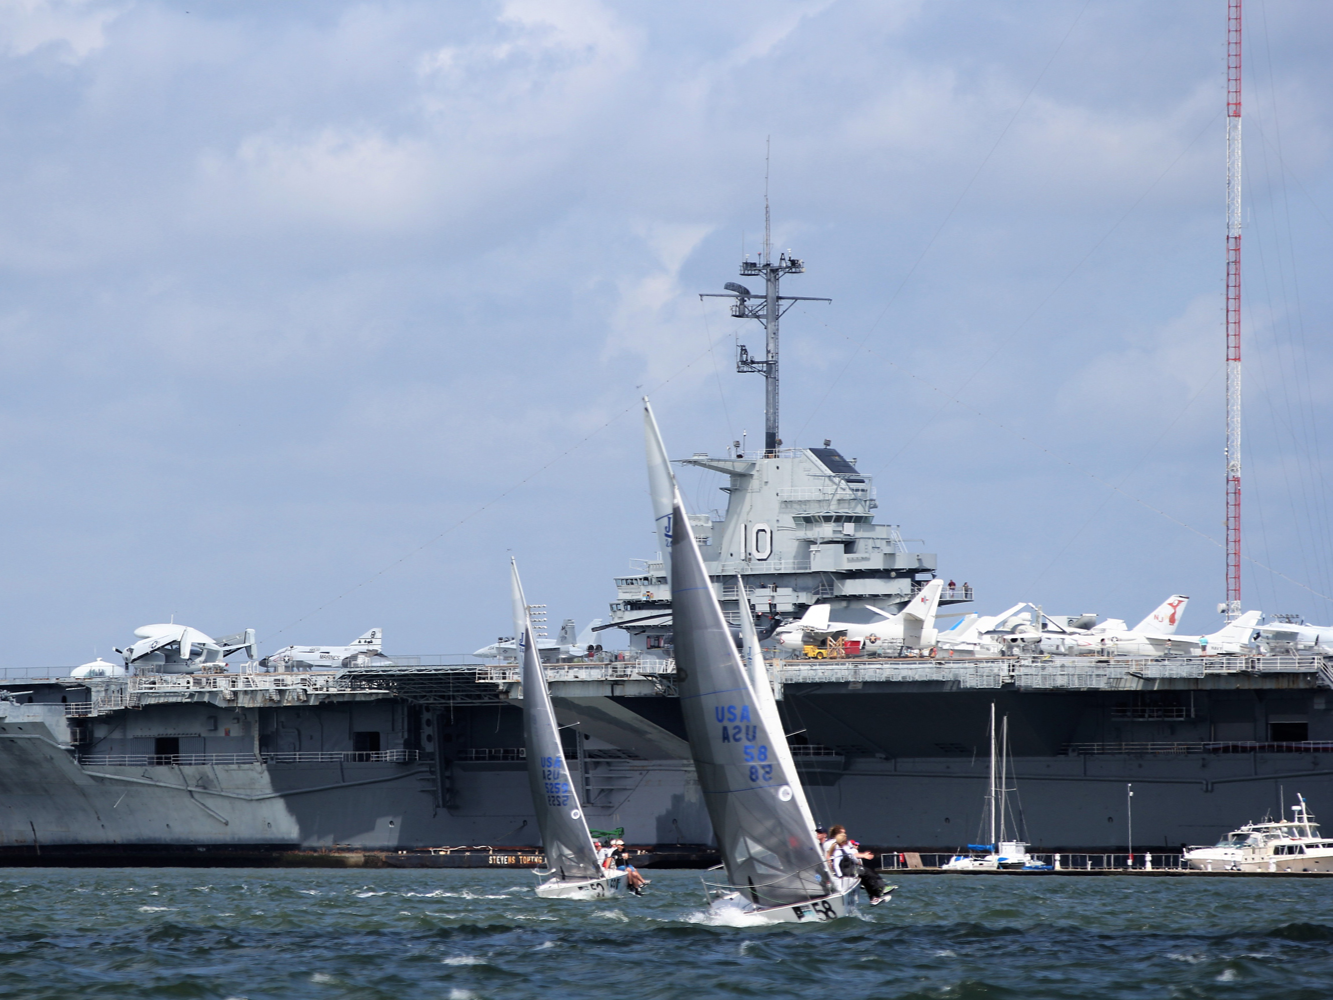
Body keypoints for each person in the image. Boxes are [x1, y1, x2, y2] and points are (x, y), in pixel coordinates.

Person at [824, 824, 889, 905]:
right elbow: (834, 861)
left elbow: (852, 854)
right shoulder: (833, 846)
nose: (845, 835)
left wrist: (862, 857)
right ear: (837, 835)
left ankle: (876, 895)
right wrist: (839, 875)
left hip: (849, 868)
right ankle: (879, 891)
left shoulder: (843, 845)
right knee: (866, 873)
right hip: (845, 870)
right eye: (843, 833)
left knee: (868, 873)